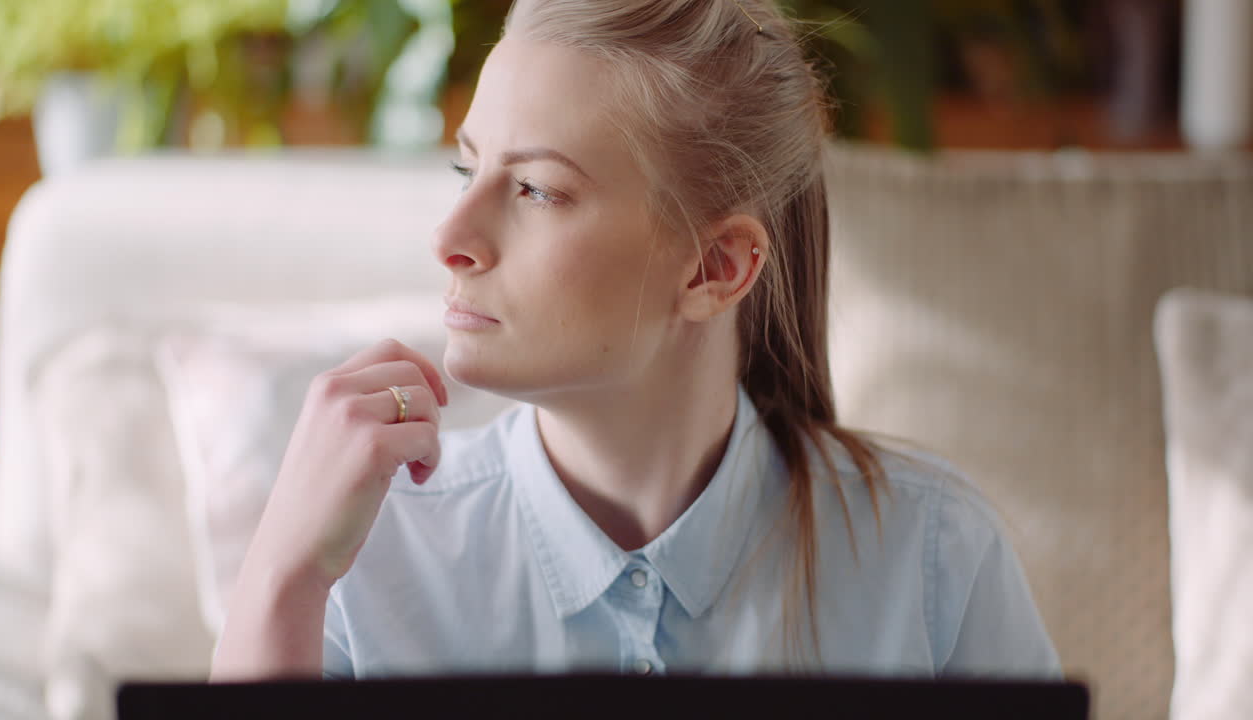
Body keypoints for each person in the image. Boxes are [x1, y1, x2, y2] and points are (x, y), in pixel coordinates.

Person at [211, 0, 1060, 681]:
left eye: (538, 189)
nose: (451, 235)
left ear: (715, 267)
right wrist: (282, 574)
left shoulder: (932, 557)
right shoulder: (371, 552)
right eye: (468, 171)